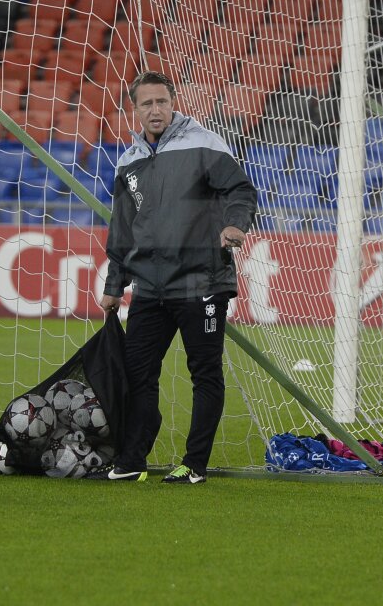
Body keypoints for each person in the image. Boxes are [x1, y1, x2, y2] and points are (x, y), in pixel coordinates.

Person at [86, 71, 258, 484]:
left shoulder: (204, 143)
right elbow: (122, 230)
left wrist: (235, 225)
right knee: (137, 374)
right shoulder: (128, 161)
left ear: (173, 101)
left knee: (205, 373)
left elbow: (241, 190)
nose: (155, 110)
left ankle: (194, 464)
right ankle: (132, 460)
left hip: (202, 283)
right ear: (136, 109)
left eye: (162, 101)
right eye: (147, 104)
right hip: (149, 288)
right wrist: (114, 286)